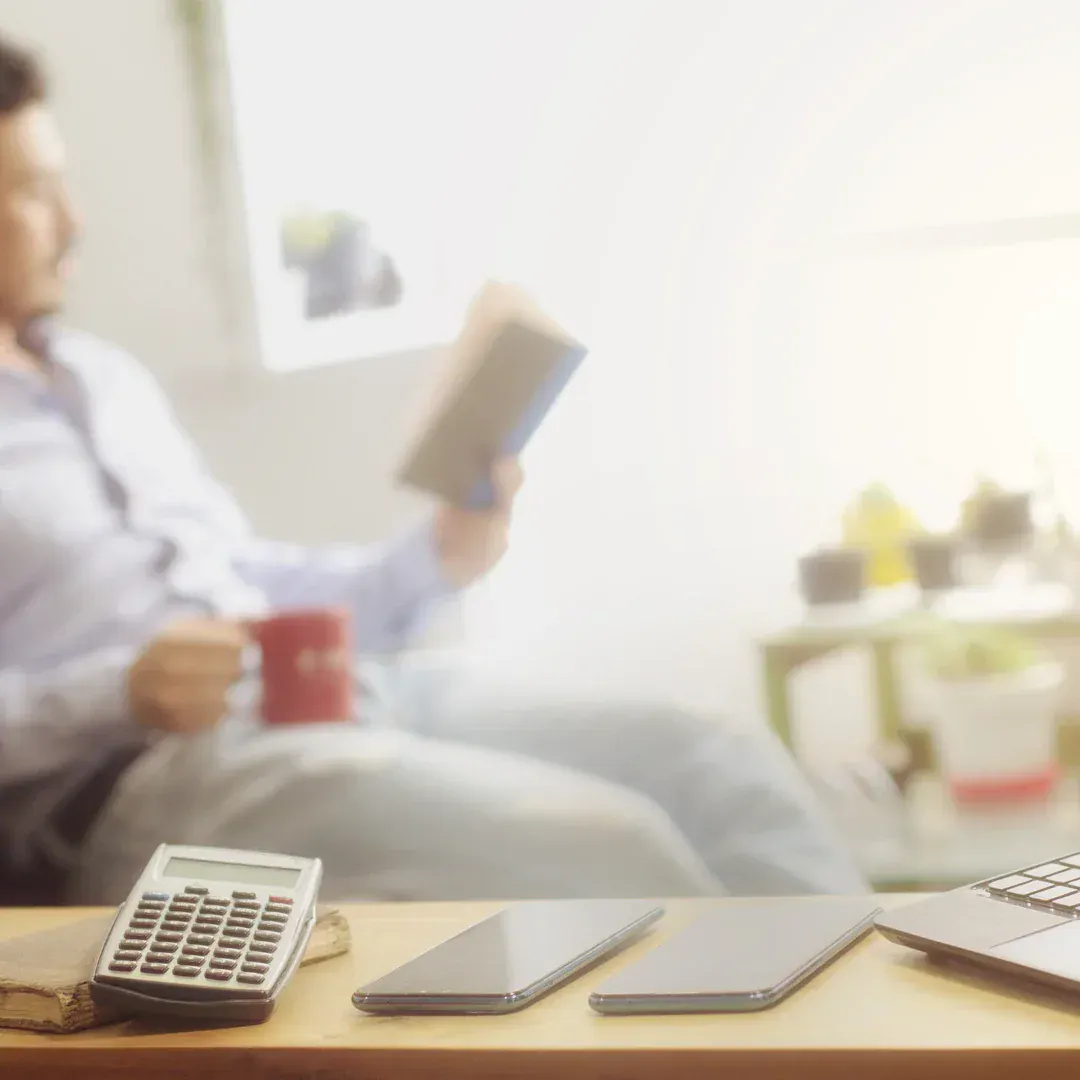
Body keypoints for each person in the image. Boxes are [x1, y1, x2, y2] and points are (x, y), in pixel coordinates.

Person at [0, 36, 867, 903]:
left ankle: (877, 1037)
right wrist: (119, 691)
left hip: (326, 697)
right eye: (33, 191)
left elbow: (242, 577)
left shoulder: (103, 378)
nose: (74, 221)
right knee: (611, 847)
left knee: (713, 755)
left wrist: (432, 562)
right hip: (143, 783)